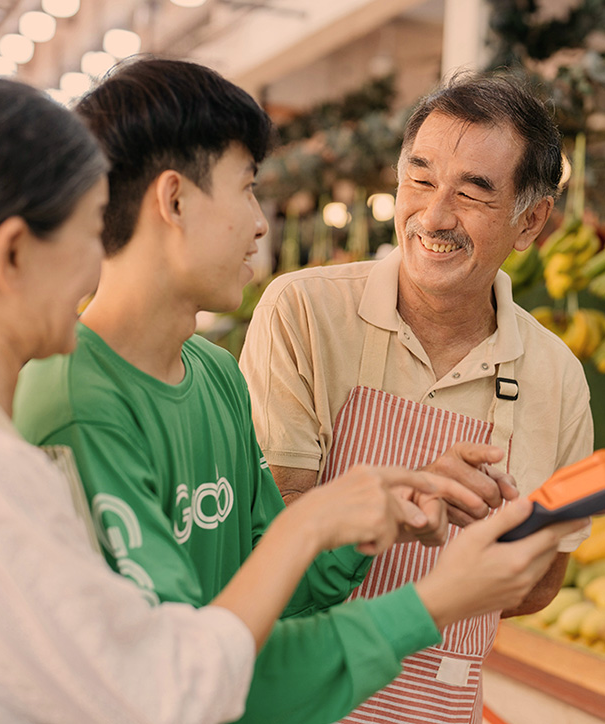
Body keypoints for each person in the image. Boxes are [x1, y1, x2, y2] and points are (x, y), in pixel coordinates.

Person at [0, 78, 474, 724]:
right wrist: (397, 579)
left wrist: (346, 523)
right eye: (89, 232)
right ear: (13, 253)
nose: (96, 263)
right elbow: (164, 691)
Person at [13, 59, 584, 724]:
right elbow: (181, 674)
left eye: (472, 192)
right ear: (174, 201)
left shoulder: (213, 375)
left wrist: (393, 507)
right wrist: (429, 601)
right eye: (246, 189)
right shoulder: (75, 404)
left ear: (530, 222)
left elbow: (269, 588)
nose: (261, 224)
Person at [239, 72, 594, 724]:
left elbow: (544, 577)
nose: (433, 217)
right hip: (299, 700)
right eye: (420, 179)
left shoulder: (557, 376)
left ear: (531, 221)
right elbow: (271, 527)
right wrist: (423, 531)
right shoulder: (305, 312)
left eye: (472, 193)